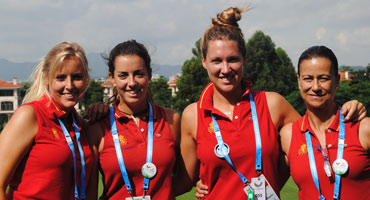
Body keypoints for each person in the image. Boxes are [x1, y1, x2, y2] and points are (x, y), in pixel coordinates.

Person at [181, 7, 366, 199]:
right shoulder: (192, 115)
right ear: (204, 61)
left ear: (245, 59)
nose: (225, 69)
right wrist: (195, 182)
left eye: (233, 59)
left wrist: (349, 107)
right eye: (216, 60)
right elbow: (185, 180)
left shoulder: (272, 104)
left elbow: (313, 140)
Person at [87, 40, 189, 200]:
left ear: (149, 74)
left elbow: (186, 179)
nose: (132, 82)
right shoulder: (98, 126)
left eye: (139, 74)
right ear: (111, 78)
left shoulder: (171, 119)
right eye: (123, 75)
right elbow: (89, 192)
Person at [0, 42, 95, 200]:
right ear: (46, 79)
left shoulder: (79, 124)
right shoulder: (30, 115)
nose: (69, 85)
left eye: (77, 77)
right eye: (61, 78)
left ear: (86, 80)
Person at [279, 46, 370, 200]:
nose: (315, 87)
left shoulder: (363, 128)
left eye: (323, 78)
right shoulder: (288, 135)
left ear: (336, 81)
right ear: (299, 82)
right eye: (308, 78)